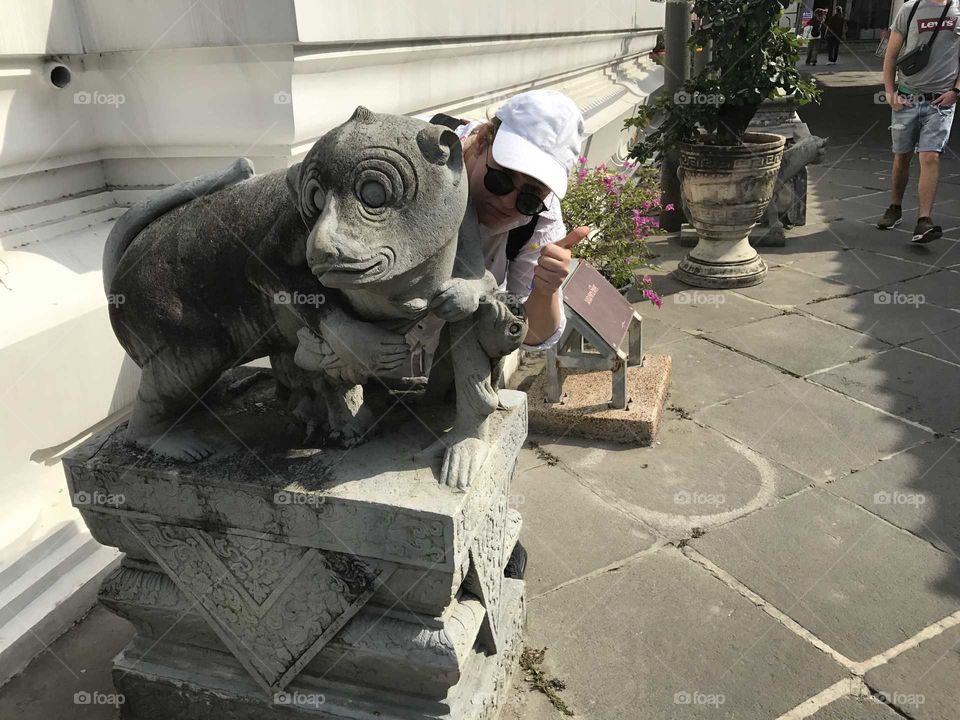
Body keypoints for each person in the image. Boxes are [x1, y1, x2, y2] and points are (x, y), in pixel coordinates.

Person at [877, 0, 960, 243]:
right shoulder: (909, 9)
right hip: (907, 98)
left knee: (929, 156)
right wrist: (890, 92)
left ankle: (924, 221)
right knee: (901, 155)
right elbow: (891, 55)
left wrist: (956, 91)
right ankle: (895, 206)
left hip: (941, 102)